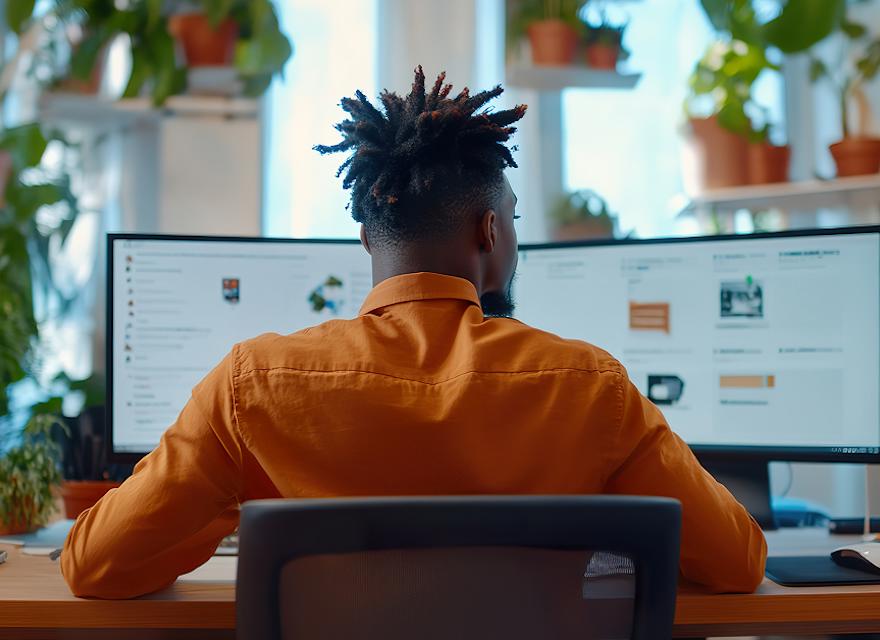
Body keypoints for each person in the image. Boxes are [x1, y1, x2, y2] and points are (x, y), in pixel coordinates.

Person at [62, 67, 766, 598]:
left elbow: (95, 565)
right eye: (512, 220)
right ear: (490, 232)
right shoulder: (590, 388)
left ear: (368, 238)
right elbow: (737, 563)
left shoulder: (252, 384)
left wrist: (228, 497)